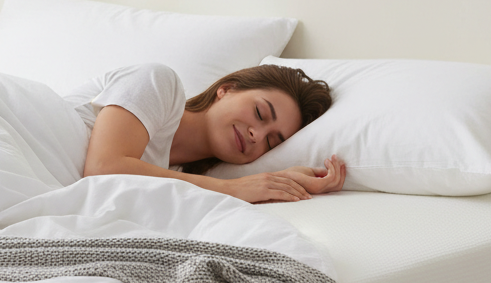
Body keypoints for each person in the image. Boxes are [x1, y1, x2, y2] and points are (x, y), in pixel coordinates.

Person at [72, 63, 345, 204]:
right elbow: (103, 169)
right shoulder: (158, 82)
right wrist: (234, 189)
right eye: (260, 113)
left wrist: (284, 181)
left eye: (271, 142)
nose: (256, 135)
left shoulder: (180, 177)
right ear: (227, 89)